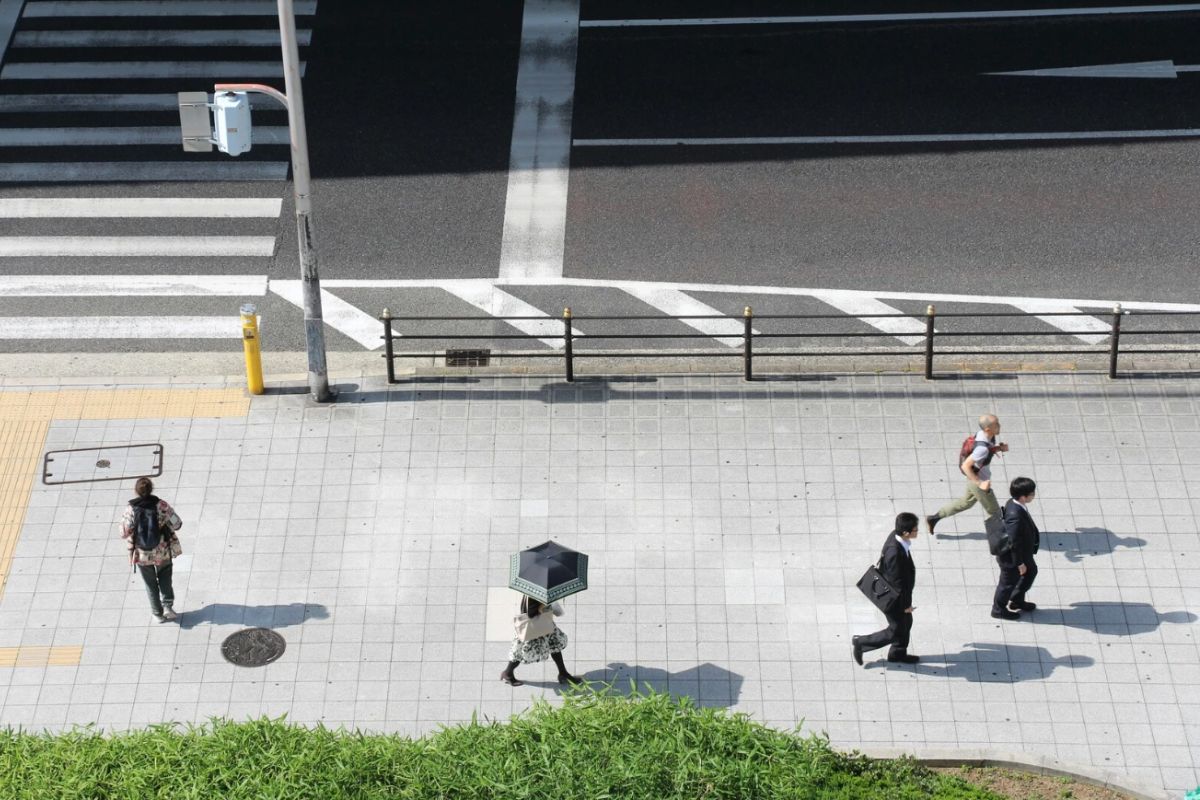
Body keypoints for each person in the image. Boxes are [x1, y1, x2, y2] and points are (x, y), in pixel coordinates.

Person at [853, 512, 920, 666]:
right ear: (905, 532)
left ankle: (897, 653)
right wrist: (906, 607)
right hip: (894, 600)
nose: (917, 532)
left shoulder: (896, 537)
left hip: (899, 596)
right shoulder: (895, 553)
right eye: (915, 530)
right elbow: (898, 585)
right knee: (896, 629)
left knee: (906, 623)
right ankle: (861, 643)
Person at [926, 414, 1009, 535]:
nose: (999, 425)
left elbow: (985, 450)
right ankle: (1004, 538)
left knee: (965, 503)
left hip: (975, 479)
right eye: (996, 424)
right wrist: (980, 483)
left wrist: (998, 448)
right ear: (987, 429)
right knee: (995, 512)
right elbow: (966, 466)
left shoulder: (985, 435)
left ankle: (933, 518)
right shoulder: (982, 448)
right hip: (978, 481)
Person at [120, 477, 183, 623]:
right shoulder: (161, 505)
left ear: (136, 491)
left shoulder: (131, 509)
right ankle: (168, 606)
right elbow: (177, 524)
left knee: (150, 583)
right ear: (151, 489)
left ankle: (157, 613)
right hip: (161, 549)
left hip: (142, 552)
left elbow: (124, 533)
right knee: (165, 576)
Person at [501, 596, 582, 687]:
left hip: (543, 626)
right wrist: (544, 605)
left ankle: (563, 673)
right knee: (519, 653)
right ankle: (507, 673)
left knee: (555, 646)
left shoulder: (537, 591)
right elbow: (530, 613)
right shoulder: (533, 595)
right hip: (534, 629)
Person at [992, 476, 1040, 621]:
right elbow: (1012, 542)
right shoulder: (1015, 516)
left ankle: (1017, 600)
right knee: (1007, 583)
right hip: (1012, 558)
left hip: (1023, 554)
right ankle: (998, 610)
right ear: (1024, 497)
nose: (1034, 495)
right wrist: (1019, 563)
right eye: (1032, 493)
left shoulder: (1013, 504)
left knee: (1031, 572)